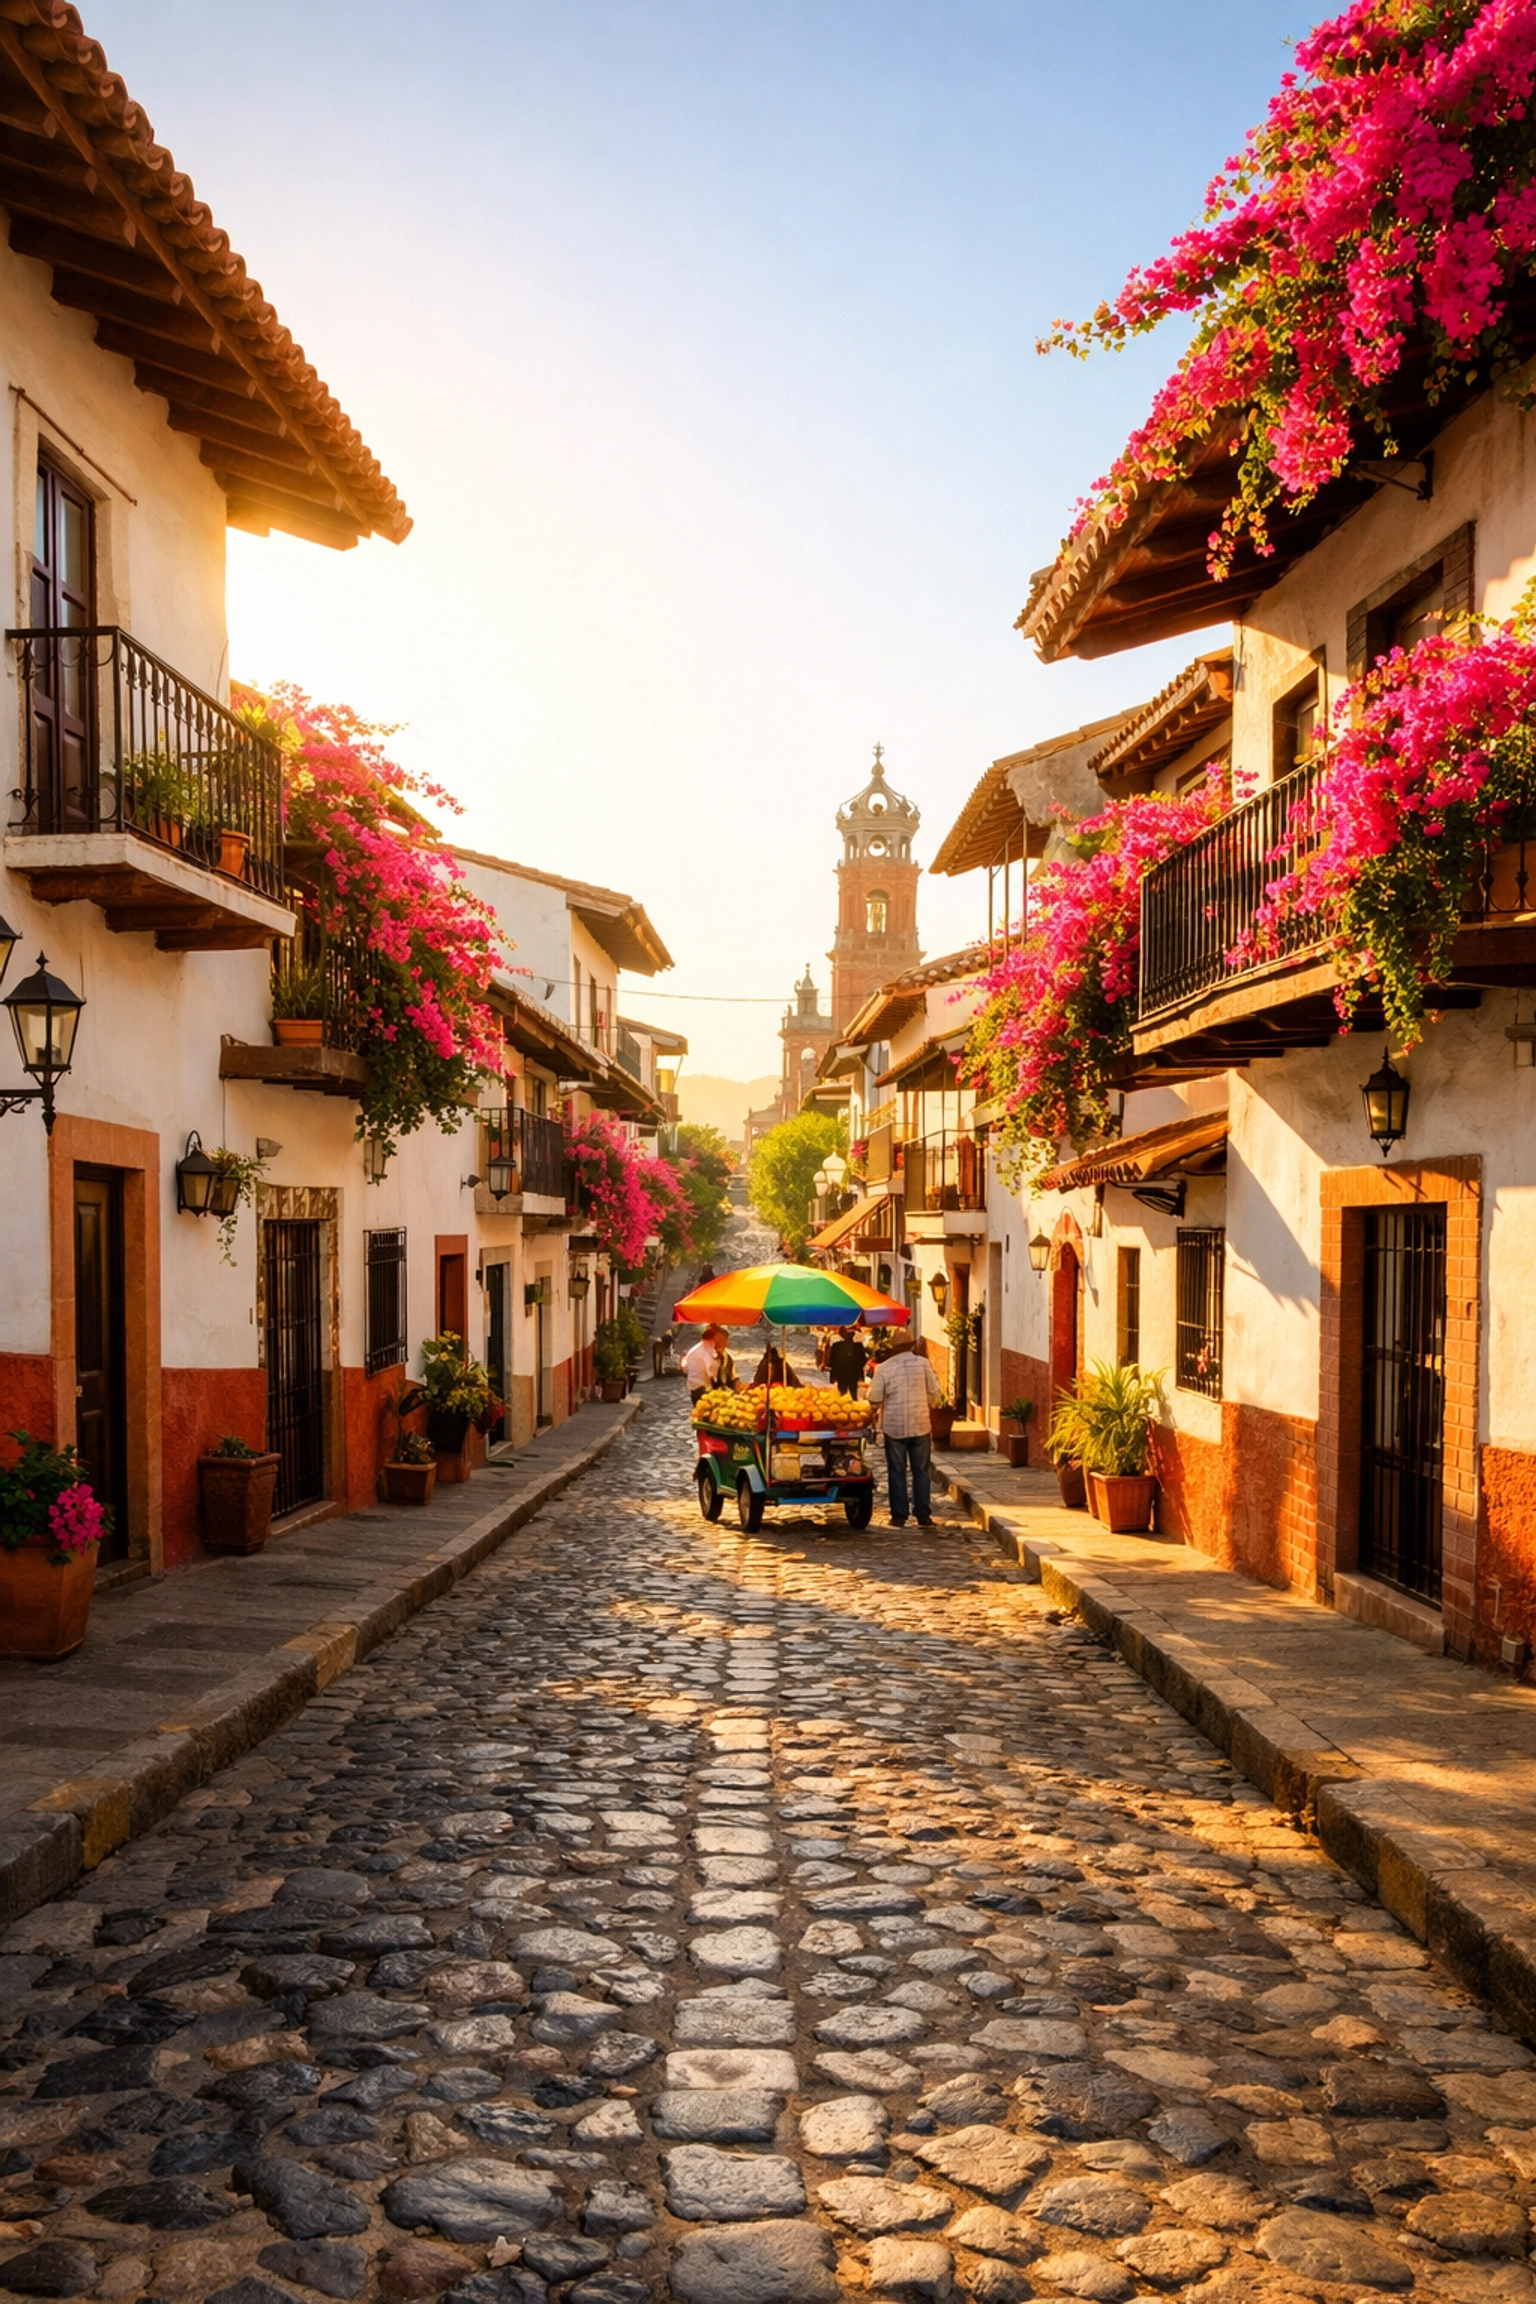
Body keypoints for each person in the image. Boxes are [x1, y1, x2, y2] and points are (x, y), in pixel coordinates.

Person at [866, 1329, 941, 1528]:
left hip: (895, 1427)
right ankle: (923, 1514)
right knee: (921, 1472)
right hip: (920, 1425)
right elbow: (936, 1393)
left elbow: (874, 1398)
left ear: (892, 1348)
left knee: (897, 1471)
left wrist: (873, 1409)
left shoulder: (883, 1368)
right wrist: (930, 1403)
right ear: (911, 1346)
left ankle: (899, 1516)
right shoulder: (923, 1364)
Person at [684, 1325, 733, 1404]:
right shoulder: (707, 1349)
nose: (726, 1344)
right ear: (717, 1338)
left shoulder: (700, 1347)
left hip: (694, 1387)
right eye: (724, 1341)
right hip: (701, 1389)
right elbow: (711, 1372)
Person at [828, 1325, 869, 1398]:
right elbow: (863, 1361)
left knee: (844, 1393)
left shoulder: (836, 1346)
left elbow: (832, 1362)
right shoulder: (858, 1346)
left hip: (843, 1374)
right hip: (852, 1374)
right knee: (852, 1393)